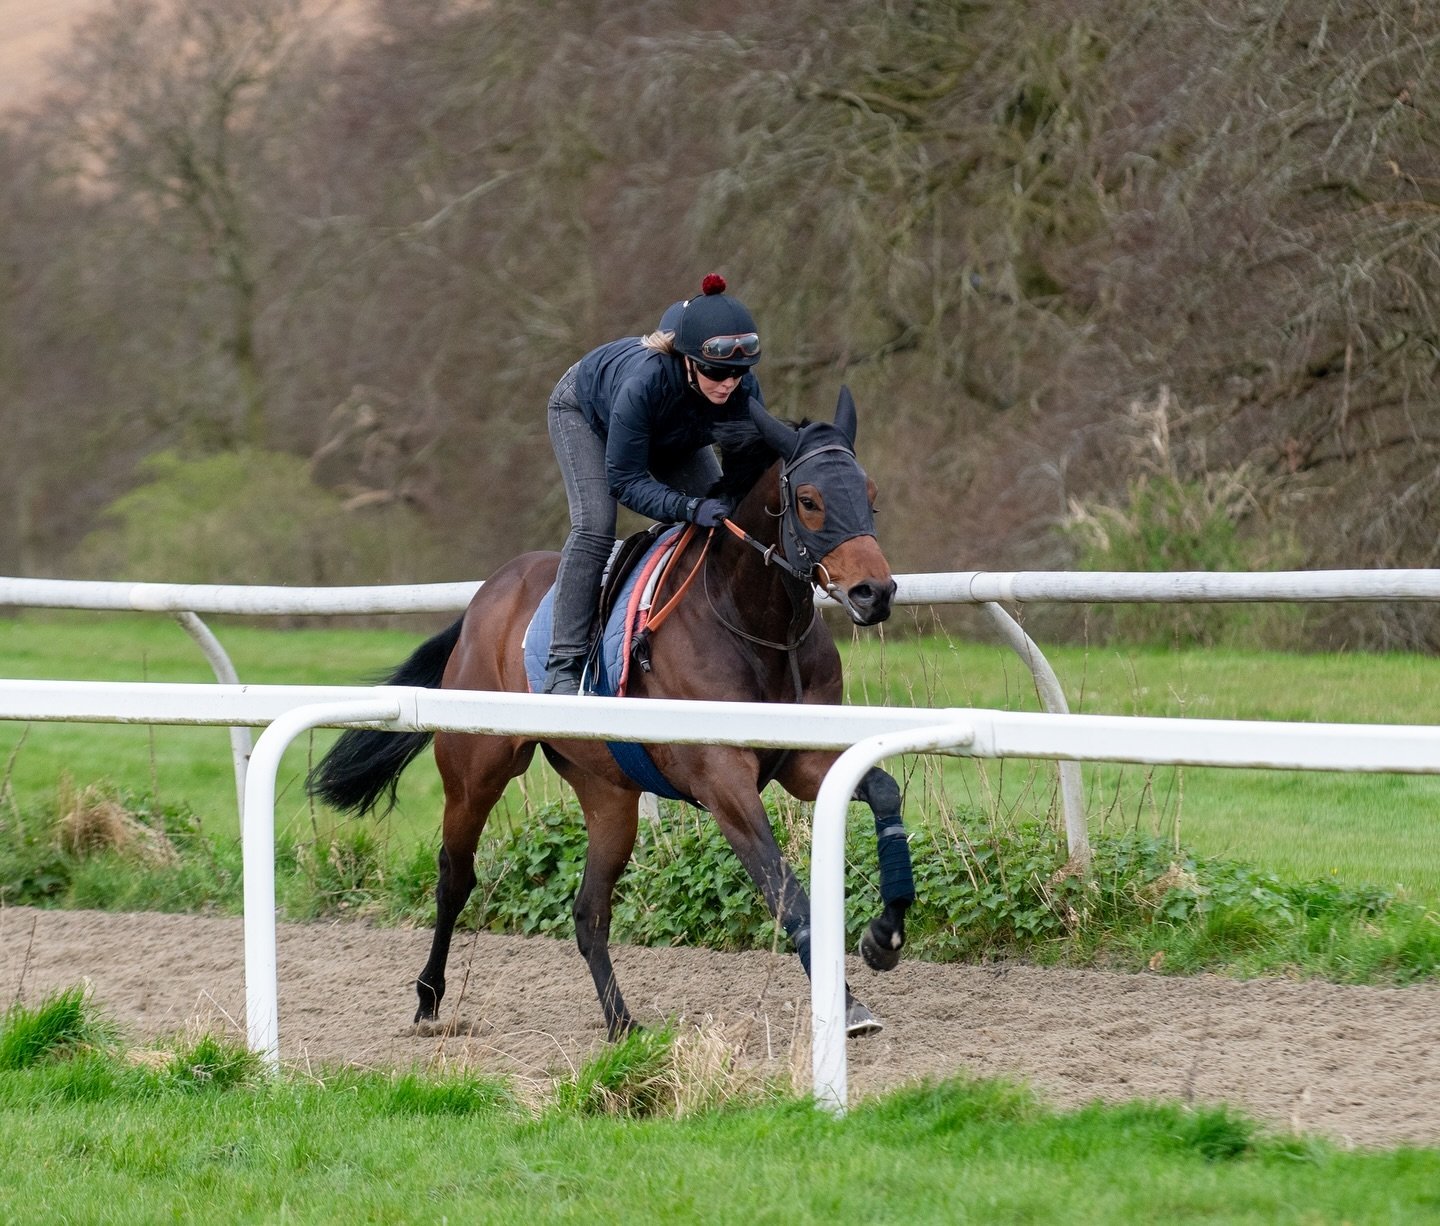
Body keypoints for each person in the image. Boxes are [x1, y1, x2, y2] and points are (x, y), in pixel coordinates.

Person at [541, 273, 765, 695]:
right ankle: (563, 665)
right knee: (595, 525)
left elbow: (749, 467)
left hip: (671, 432)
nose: (728, 384)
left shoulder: (739, 386)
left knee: (728, 518)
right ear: (686, 359)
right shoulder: (642, 385)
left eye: (737, 374)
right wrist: (686, 507)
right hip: (586, 412)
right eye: (716, 373)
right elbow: (624, 481)